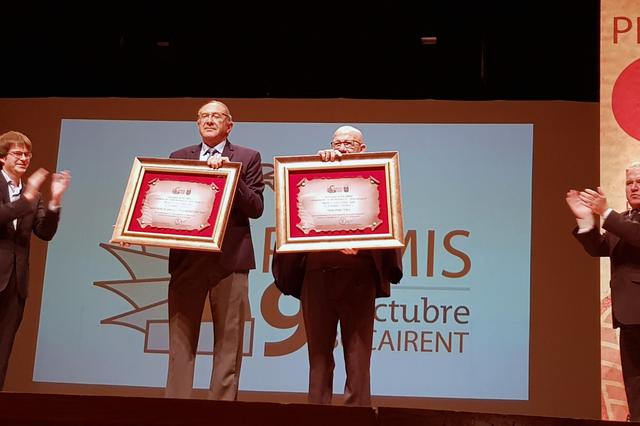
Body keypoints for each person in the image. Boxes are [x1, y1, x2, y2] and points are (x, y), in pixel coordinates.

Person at [272, 125, 403, 406]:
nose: (343, 147)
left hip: (358, 276)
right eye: (338, 142)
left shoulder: (375, 179)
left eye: (350, 143)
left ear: (363, 149)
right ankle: (318, 415)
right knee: (318, 356)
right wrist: (318, 166)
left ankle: (355, 416)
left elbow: (387, 226)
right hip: (316, 274)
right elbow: (296, 216)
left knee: (358, 356)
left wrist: (364, 245)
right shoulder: (316, 174)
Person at [165, 100, 264, 400]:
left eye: (216, 116)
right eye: (204, 116)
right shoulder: (178, 157)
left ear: (229, 125)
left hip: (230, 260)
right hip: (187, 260)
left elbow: (256, 208)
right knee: (180, 341)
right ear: (197, 123)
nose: (209, 120)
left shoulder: (247, 157)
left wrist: (231, 177)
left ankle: (219, 411)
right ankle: (176, 408)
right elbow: (166, 204)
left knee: (228, 342)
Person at [567, 161, 640, 421]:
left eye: (639, 182)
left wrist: (606, 213)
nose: (634, 188)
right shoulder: (624, 220)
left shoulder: (622, 222)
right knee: (635, 388)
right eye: (629, 183)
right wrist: (586, 220)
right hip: (630, 318)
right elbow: (599, 247)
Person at [0, 131, 71, 389]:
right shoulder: (27, 194)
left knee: (3, 349)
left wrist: (54, 199)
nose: (24, 158)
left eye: (27, 154)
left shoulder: (34, 195)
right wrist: (27, 198)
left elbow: (45, 232)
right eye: (17, 153)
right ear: (2, 158)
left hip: (16, 284)